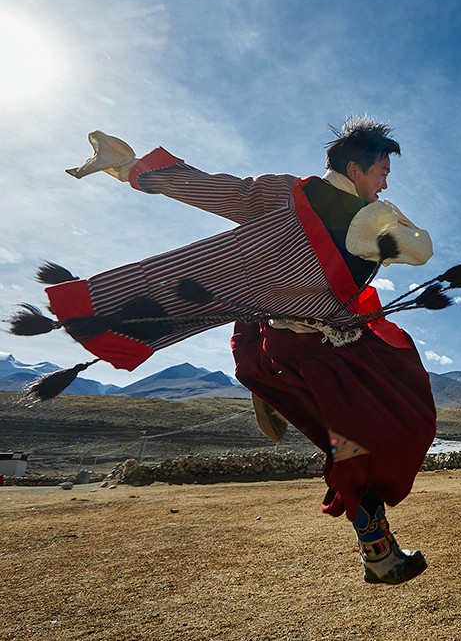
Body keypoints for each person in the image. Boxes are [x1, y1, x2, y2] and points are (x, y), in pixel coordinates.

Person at [50, 117, 439, 583]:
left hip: (297, 345)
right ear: (356, 170)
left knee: (354, 444)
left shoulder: (286, 193)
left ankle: (375, 548)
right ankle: (378, 554)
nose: (385, 183)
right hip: (331, 357)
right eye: (381, 173)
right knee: (384, 430)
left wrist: (129, 167)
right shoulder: (370, 221)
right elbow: (423, 250)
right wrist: (389, 212)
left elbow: (215, 189)